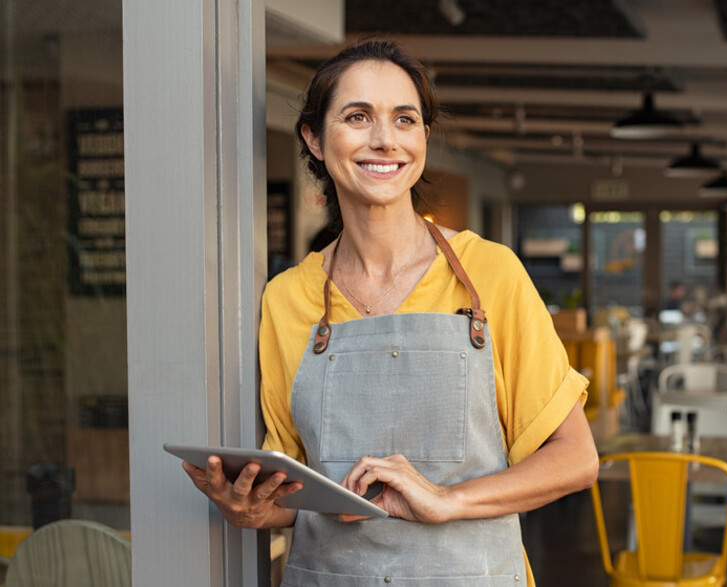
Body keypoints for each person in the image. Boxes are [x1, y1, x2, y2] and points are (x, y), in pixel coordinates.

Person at [180, 40, 599, 585]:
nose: (384, 139)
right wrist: (254, 509)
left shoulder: (490, 274)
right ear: (314, 137)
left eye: (405, 119)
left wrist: (446, 499)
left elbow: (576, 458)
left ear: (423, 136)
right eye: (358, 117)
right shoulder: (287, 298)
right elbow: (292, 490)